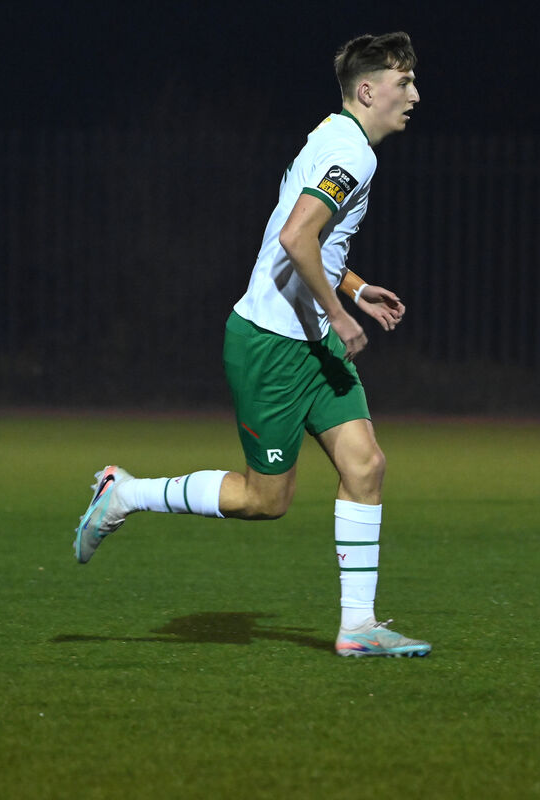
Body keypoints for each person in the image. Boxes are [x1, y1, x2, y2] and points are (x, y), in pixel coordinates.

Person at [73, 32, 430, 658]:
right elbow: (296, 238)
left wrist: (358, 285)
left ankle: (358, 628)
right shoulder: (354, 154)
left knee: (366, 466)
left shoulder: (329, 134)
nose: (415, 95)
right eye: (404, 84)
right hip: (272, 343)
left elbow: (299, 235)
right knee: (264, 502)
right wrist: (339, 312)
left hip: (310, 343)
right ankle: (124, 493)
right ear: (368, 90)